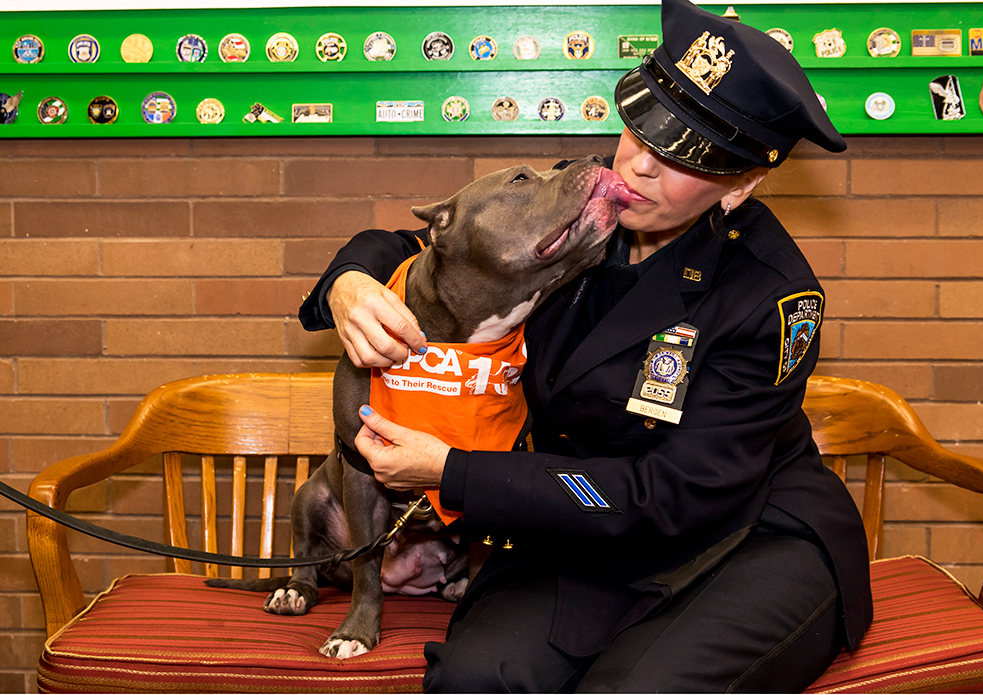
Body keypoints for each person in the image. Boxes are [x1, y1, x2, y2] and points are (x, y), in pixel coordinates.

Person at [299, 1, 872, 691]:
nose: (641, 166)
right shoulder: (591, 200)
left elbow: (665, 494)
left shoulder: (768, 298)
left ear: (739, 186)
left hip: (746, 540)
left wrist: (452, 472)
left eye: (682, 156)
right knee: (477, 679)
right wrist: (350, 282)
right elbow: (438, 242)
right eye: (642, 128)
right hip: (575, 526)